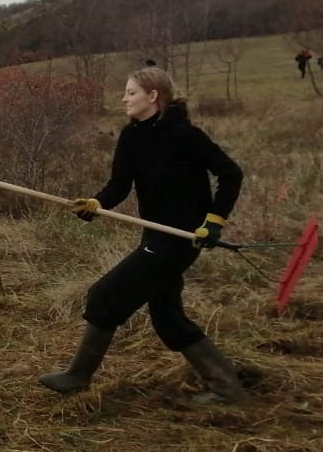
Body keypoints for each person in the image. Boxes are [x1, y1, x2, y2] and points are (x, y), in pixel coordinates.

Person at [41, 67, 245, 402]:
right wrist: (96, 203)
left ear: (153, 96)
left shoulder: (186, 136)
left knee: (105, 296)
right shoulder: (131, 137)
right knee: (167, 316)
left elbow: (231, 174)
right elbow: (119, 184)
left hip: (181, 238)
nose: (124, 99)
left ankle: (77, 376)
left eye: (131, 92)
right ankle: (227, 388)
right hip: (154, 234)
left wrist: (213, 221)